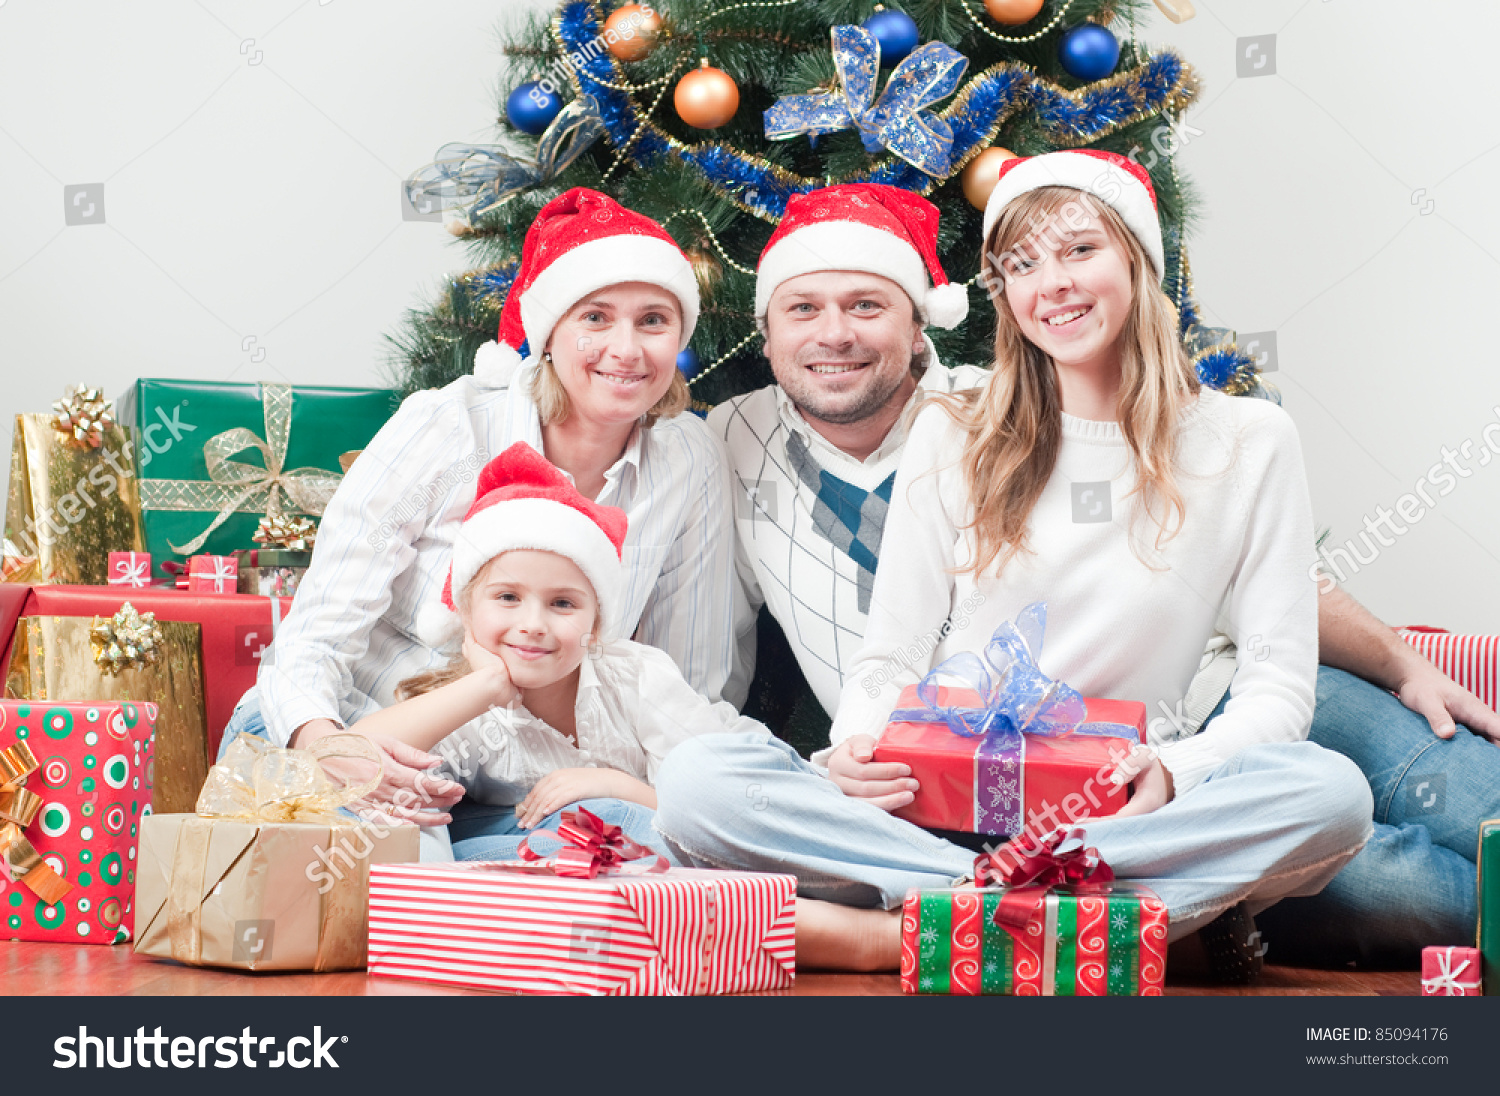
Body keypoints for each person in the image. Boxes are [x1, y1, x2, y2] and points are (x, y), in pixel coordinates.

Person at [712, 177, 1500, 968]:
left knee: (1328, 795)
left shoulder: (1247, 441)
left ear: (1138, 264)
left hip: (1121, 815)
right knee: (704, 784)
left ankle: (975, 915)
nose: (1051, 282)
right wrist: (856, 745)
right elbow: (891, 656)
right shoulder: (953, 433)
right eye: (1020, 265)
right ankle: (1076, 916)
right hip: (938, 805)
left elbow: (1278, 687)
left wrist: (1172, 767)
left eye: (1081, 250)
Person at [222, 188, 741, 858]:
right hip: (348, 730)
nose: (626, 349)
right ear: (550, 331)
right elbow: (312, 641)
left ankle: (484, 896)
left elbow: (688, 682)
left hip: (509, 790)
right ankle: (443, 891)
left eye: (653, 320)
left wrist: (623, 778)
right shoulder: (447, 426)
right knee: (402, 878)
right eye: (595, 317)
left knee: (647, 846)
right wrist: (331, 749)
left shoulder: (687, 461)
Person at [348, 441, 760, 860]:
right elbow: (352, 762)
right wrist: (488, 684)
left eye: (562, 604)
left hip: (690, 804)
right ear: (466, 614)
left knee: (623, 827)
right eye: (508, 597)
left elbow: (721, 804)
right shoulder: (470, 704)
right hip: (532, 835)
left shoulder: (638, 679)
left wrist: (612, 785)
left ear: (595, 627)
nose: (533, 625)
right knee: (442, 836)